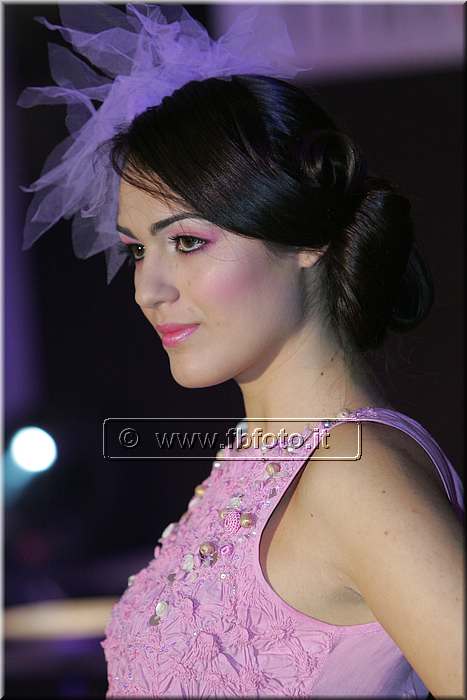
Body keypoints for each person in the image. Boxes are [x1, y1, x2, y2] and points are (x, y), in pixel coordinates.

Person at [18, 4, 464, 698]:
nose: (148, 289)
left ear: (305, 238)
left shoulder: (356, 476)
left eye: (188, 241)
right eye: (137, 250)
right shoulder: (257, 458)